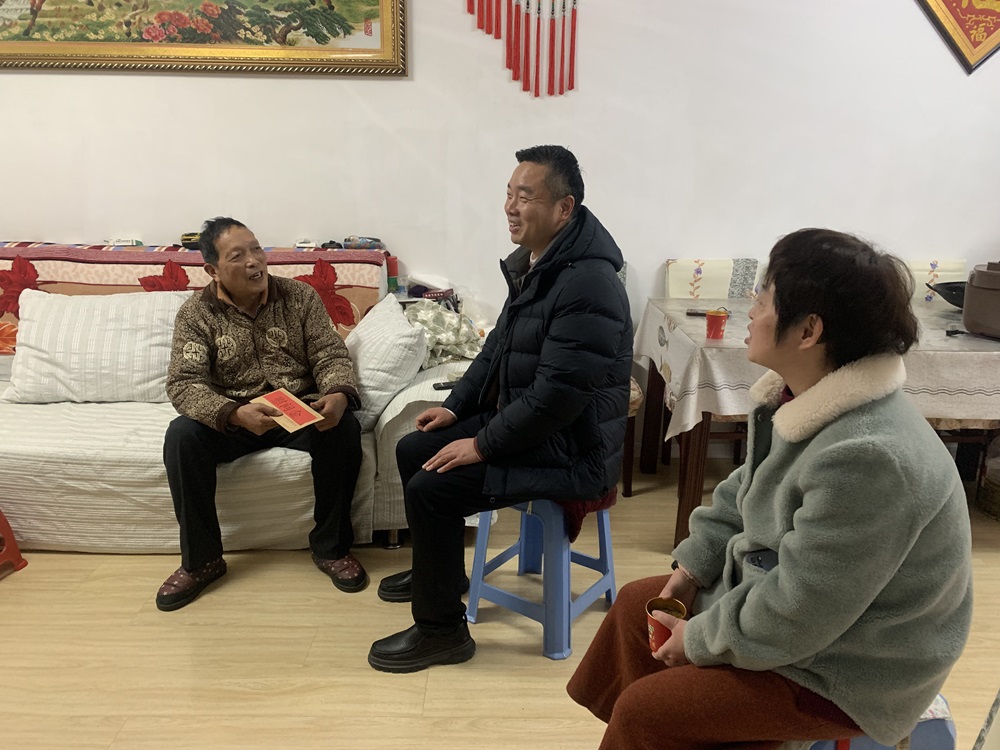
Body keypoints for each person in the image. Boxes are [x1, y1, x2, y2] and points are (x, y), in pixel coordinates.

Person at [566, 229, 974, 749]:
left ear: (808, 330)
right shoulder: (801, 398)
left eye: (762, 296)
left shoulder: (870, 457)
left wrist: (699, 639)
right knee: (634, 607)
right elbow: (746, 490)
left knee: (649, 711)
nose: (750, 308)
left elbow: (804, 610)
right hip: (799, 606)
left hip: (855, 663)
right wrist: (692, 570)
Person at [367, 145, 633, 673]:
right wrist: (456, 408)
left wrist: (482, 444)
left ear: (564, 208)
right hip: (537, 429)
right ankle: (442, 577)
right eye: (509, 194)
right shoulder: (542, 263)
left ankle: (442, 632)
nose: (510, 207)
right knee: (415, 448)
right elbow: (497, 349)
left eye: (525, 196)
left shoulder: (589, 283)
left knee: (432, 489)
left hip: (574, 449)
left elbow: (557, 397)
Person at [155, 217, 367, 612]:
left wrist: (338, 393)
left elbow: (330, 353)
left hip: (298, 407)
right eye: (238, 255)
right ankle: (202, 562)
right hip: (234, 415)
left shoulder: (299, 296)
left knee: (344, 429)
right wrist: (234, 413)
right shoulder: (196, 314)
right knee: (181, 436)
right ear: (213, 270)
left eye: (256, 249)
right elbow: (184, 384)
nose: (254, 261)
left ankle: (331, 549)